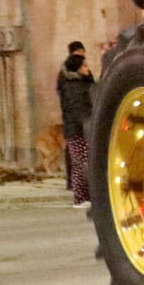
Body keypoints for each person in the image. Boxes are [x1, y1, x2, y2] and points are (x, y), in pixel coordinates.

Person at [57, 53, 94, 208]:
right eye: (84, 66)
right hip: (76, 130)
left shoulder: (81, 83)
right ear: (77, 69)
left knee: (86, 162)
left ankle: (87, 196)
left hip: (81, 128)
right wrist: (88, 127)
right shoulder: (73, 88)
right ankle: (80, 198)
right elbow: (80, 111)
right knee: (81, 164)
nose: (88, 68)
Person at [56, 41, 89, 190]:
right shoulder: (77, 79)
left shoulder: (63, 73)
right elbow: (82, 102)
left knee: (74, 156)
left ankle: (73, 185)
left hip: (70, 120)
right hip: (79, 122)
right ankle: (81, 194)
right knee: (81, 159)